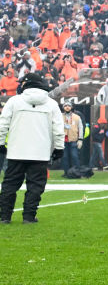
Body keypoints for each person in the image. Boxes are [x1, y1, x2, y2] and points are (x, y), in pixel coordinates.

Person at [0, 73, 63, 224]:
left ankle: (4, 216)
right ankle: (28, 216)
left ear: (26, 84)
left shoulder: (14, 101)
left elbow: (3, 125)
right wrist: (59, 147)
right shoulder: (51, 104)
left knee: (9, 185)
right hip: (40, 153)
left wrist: (1, 143)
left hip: (16, 151)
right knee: (36, 186)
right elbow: (58, 128)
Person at [60, 102, 84, 177]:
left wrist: (80, 139)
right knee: (64, 157)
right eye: (65, 106)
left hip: (73, 139)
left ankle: (77, 172)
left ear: (71, 107)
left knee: (74, 156)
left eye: (69, 106)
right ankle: (66, 172)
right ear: (63, 107)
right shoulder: (59, 116)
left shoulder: (77, 117)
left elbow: (81, 128)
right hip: (63, 140)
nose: (67, 107)